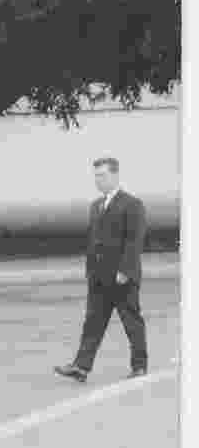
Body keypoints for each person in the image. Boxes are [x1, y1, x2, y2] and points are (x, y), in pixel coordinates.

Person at [55, 157, 148, 382]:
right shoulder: (96, 205)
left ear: (115, 175)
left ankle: (139, 365)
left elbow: (134, 240)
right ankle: (81, 367)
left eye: (102, 175)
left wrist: (125, 270)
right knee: (93, 323)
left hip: (121, 276)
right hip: (98, 276)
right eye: (96, 176)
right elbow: (93, 240)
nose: (98, 180)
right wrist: (90, 270)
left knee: (131, 321)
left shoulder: (132, 204)